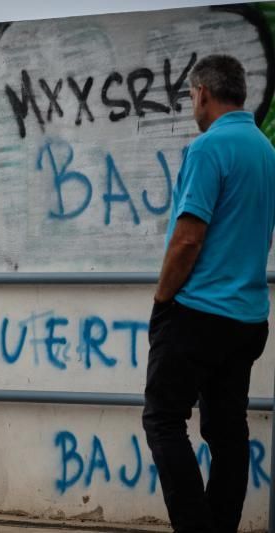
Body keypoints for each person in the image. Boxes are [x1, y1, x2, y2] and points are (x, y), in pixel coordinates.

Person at [143, 55, 275, 533]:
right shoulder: (266, 150)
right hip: (248, 318)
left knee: (162, 420)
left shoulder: (208, 149)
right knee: (227, 431)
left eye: (190, 95)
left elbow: (188, 238)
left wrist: (162, 300)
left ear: (202, 92)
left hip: (197, 315)